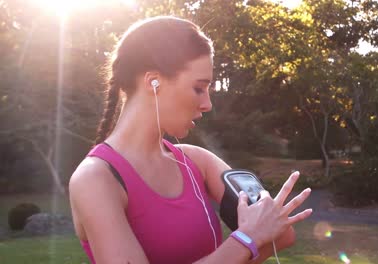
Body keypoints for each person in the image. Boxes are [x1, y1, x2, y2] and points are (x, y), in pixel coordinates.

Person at [68, 16, 313, 264]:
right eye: (198, 88)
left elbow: (279, 235)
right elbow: (255, 236)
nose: (207, 104)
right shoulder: (96, 179)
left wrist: (250, 239)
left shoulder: (197, 161)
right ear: (153, 81)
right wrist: (245, 240)